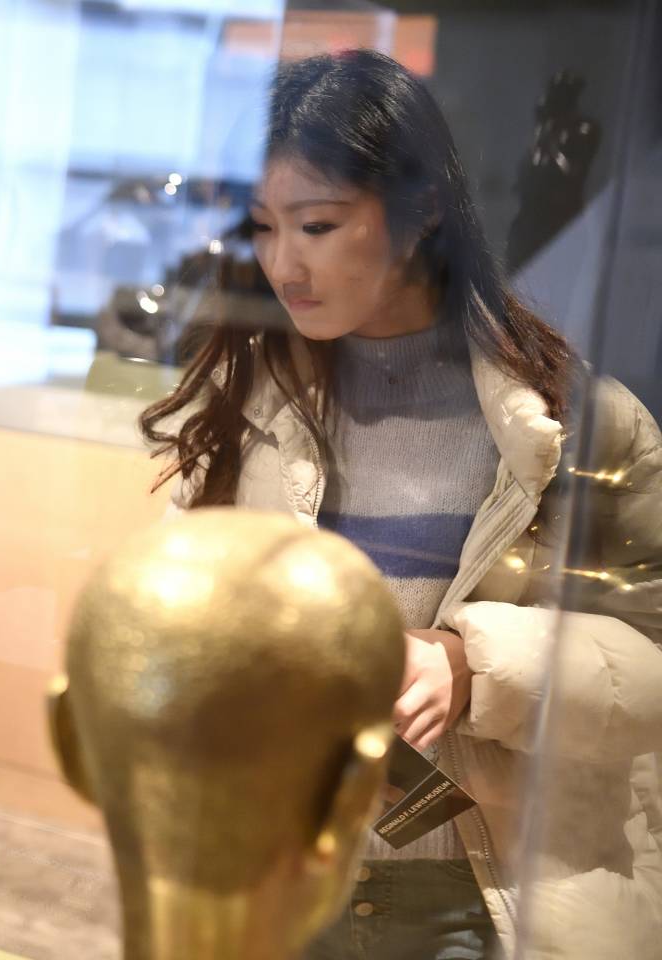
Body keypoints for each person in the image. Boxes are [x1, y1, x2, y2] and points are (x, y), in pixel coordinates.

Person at [140, 49, 662, 959]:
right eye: (262, 228)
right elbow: (185, 609)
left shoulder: (580, 421)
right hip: (281, 865)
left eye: (318, 224)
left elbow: (652, 658)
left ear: (422, 212)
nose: (283, 265)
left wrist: (472, 667)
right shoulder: (246, 401)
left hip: (486, 887)